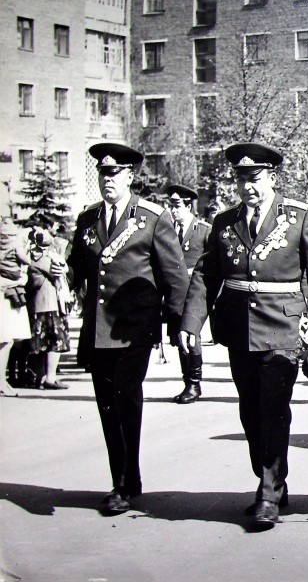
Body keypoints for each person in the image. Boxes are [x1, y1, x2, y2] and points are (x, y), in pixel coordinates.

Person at [179, 143, 308, 528]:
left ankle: (269, 491)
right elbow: (207, 276)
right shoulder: (225, 223)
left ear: (271, 176)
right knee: (250, 411)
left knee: (273, 408)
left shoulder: (300, 216)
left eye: (254, 178)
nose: (247, 187)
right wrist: (190, 323)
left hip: (282, 328)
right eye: (241, 179)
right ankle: (272, 479)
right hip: (238, 329)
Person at [51, 143, 189, 515]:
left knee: (127, 398)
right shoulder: (88, 219)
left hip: (134, 330)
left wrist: (179, 326)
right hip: (98, 329)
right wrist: (65, 273)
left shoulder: (151, 218)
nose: (107, 180)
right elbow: (79, 267)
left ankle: (123, 484)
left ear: (130, 177)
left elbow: (174, 275)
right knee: (108, 406)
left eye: (114, 174)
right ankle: (127, 477)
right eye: (102, 173)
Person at [164, 184, 211, 405]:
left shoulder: (203, 230)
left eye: (177, 206)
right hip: (174, 294)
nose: (173, 211)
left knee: (192, 336)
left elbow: (213, 263)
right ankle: (188, 382)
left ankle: (194, 383)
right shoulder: (167, 231)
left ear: (189, 206)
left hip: (195, 295)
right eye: (171, 206)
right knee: (179, 339)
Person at [27, 229, 71, 390]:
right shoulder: (46, 259)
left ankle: (41, 377)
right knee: (55, 342)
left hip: (36, 306)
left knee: (40, 343)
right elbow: (61, 273)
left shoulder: (30, 258)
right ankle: (50, 377)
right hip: (51, 305)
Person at [0, 219, 32, 397]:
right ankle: (1, 382)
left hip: (5, 290)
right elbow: (27, 262)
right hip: (7, 294)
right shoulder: (16, 248)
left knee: (5, 340)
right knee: (6, 340)